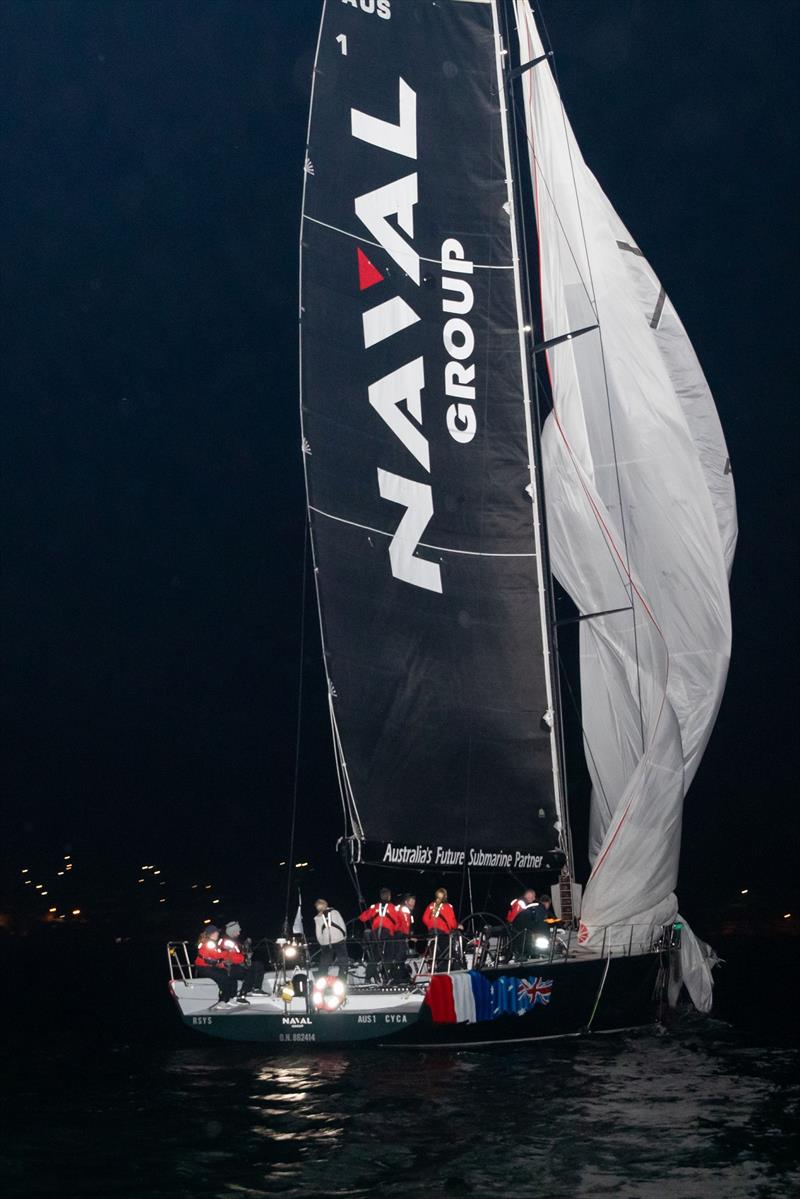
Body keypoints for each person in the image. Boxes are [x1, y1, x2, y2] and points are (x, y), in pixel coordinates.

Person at [358, 887, 400, 982]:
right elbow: (397, 924)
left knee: (375, 956)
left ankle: (368, 978)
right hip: (388, 934)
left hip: (376, 934)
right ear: (389, 896)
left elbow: (362, 918)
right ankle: (386, 977)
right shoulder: (393, 908)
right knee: (388, 956)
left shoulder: (375, 907)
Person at [220, 920, 264, 1001]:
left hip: (237, 964)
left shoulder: (234, 941)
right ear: (232, 931)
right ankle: (242, 994)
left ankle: (256, 989)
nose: (239, 933)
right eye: (237, 931)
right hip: (230, 967)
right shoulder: (227, 942)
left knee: (258, 965)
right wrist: (245, 958)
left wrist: (247, 949)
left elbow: (240, 952)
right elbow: (232, 957)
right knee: (249, 972)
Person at [194, 926, 238, 1007]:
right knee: (223, 977)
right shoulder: (209, 943)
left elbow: (213, 959)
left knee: (228, 973)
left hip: (209, 966)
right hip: (203, 968)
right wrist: (228, 951)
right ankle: (222, 1001)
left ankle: (230, 998)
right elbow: (216, 956)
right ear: (212, 934)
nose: (218, 933)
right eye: (216, 932)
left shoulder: (212, 943)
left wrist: (222, 964)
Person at [422, 888, 462, 972]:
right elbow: (452, 923)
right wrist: (458, 926)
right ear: (446, 896)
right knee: (447, 954)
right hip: (443, 934)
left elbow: (425, 919)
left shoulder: (431, 905)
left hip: (432, 933)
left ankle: (434, 970)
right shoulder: (448, 906)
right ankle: (444, 972)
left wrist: (431, 925)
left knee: (435, 953)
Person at [314, 899, 349, 978]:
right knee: (343, 961)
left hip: (328, 942)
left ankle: (321, 979)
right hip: (338, 940)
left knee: (325, 963)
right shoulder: (334, 912)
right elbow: (342, 924)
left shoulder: (318, 918)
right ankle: (342, 979)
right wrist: (344, 936)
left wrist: (321, 943)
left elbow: (318, 933)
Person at [393, 894, 417, 979]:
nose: (413, 904)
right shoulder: (405, 909)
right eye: (411, 901)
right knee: (401, 956)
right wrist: (410, 937)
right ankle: (400, 977)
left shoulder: (399, 908)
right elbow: (405, 925)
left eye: (414, 902)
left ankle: (399, 975)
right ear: (406, 902)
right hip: (399, 935)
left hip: (395, 935)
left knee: (400, 956)